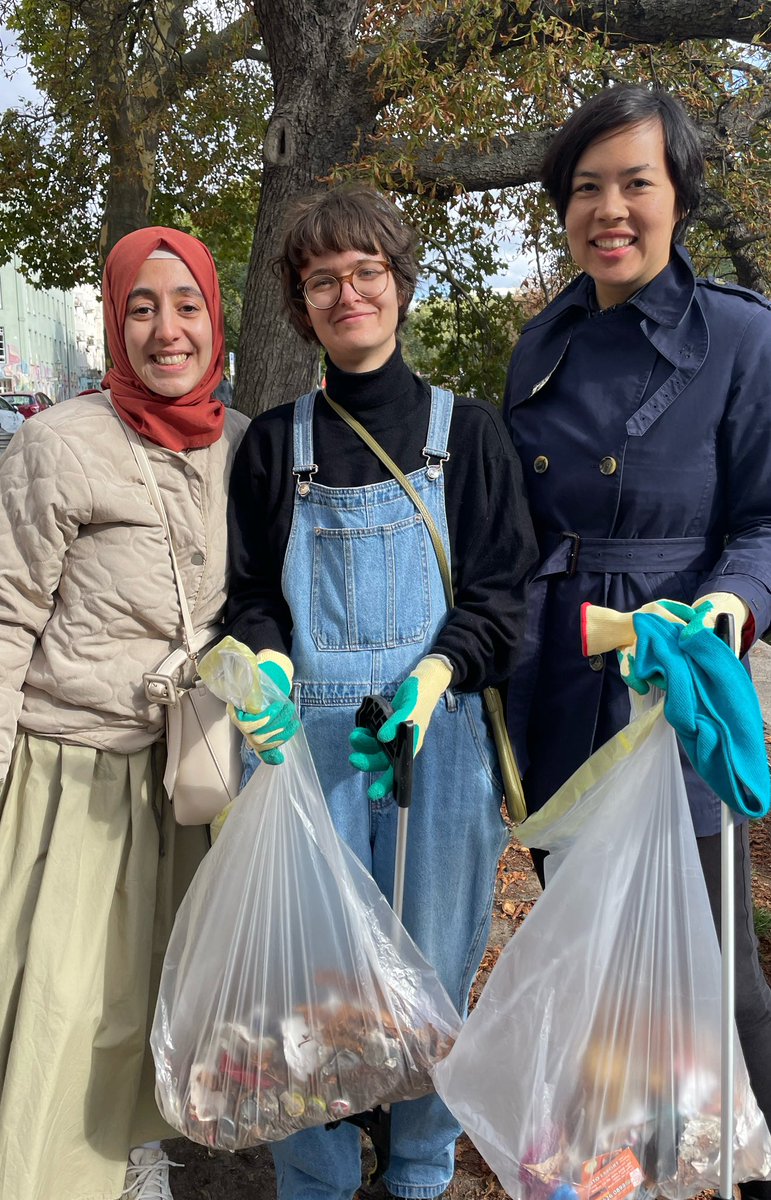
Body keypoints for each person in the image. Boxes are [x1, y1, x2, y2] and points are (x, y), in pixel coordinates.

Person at [225, 184, 537, 1200]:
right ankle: (313, 1175)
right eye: (323, 279)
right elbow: (248, 596)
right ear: (301, 302)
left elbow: (502, 595)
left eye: (366, 272)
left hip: (435, 740)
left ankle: (417, 1167)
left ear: (399, 286)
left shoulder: (473, 436)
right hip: (306, 746)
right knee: (305, 974)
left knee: (434, 966)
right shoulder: (275, 445)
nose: (347, 292)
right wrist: (269, 663)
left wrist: (438, 671)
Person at [503, 84, 771, 1198]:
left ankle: (745, 1164)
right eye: (584, 188)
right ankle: (629, 1161)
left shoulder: (743, 337)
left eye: (635, 182)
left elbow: (766, 517)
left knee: (715, 962)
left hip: (674, 690)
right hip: (558, 684)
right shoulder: (542, 344)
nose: (608, 209)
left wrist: (728, 603)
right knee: (593, 949)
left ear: (679, 195)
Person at [0, 226, 249, 1200]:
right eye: (141, 306)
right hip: (76, 772)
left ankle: (134, 1156)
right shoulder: (59, 441)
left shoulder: (240, 444)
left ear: (214, 318)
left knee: (156, 992)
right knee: (65, 1003)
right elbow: (10, 608)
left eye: (186, 304)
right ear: (114, 319)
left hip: (191, 775)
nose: (166, 328)